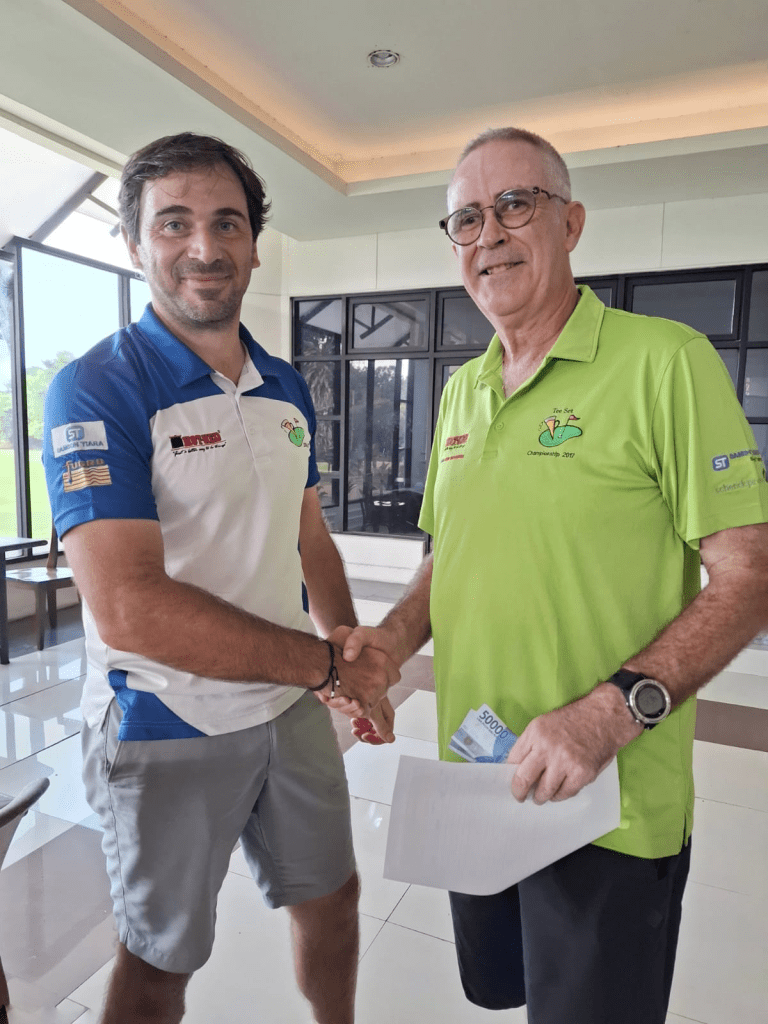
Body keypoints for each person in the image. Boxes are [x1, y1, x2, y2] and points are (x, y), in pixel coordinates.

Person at [331, 126, 768, 1023]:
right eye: (465, 218)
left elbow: (748, 573)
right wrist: (390, 645)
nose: (488, 234)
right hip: (477, 774)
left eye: (514, 205)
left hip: (608, 799)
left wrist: (611, 712)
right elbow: (448, 558)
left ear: (570, 223)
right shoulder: (462, 390)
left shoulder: (666, 362)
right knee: (502, 987)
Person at [42, 132, 399, 1024]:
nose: (204, 247)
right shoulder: (97, 387)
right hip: (167, 717)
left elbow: (307, 532)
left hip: (287, 706)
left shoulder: (284, 384)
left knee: (334, 902)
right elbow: (129, 610)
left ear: (254, 244)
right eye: (174, 223)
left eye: (226, 223)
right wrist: (324, 667)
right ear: (135, 245)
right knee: (161, 963)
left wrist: (347, 647)